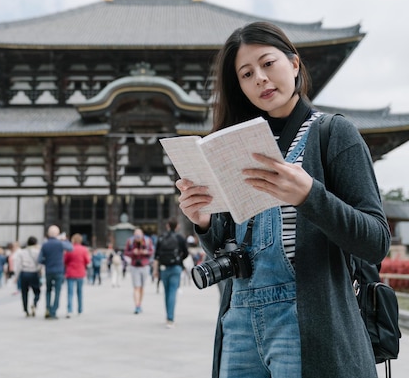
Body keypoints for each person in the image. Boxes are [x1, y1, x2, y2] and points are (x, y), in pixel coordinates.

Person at [175, 21, 390, 378]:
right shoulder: (235, 146)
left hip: (304, 318)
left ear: (294, 64)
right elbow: (231, 249)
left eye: (267, 63)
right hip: (239, 319)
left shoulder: (332, 133)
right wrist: (202, 222)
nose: (259, 77)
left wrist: (310, 195)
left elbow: (376, 241)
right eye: (246, 74)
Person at [153, 217, 189, 328]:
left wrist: (155, 270)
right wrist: (179, 259)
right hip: (176, 267)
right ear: (177, 226)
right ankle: (170, 318)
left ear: (167, 225)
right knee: (173, 292)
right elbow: (186, 253)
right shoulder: (180, 238)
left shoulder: (161, 237)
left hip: (164, 268)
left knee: (166, 292)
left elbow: (156, 256)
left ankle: (167, 316)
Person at [38, 225, 73, 319]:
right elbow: (70, 248)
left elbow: (39, 259)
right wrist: (64, 239)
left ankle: (48, 309)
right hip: (59, 270)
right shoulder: (60, 243)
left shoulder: (44, 244)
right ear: (57, 234)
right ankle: (53, 311)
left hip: (49, 270)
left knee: (48, 290)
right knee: (57, 291)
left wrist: (47, 262)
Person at [123, 228, 154, 314]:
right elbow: (125, 252)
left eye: (139, 235)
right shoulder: (130, 241)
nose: (137, 237)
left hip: (144, 265)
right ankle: (137, 305)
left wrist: (145, 252)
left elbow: (151, 251)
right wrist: (133, 252)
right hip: (134, 266)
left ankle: (140, 303)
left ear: (142, 235)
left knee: (142, 287)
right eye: (136, 235)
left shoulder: (147, 241)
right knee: (136, 287)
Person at [13, 236, 42, 317]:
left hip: (24, 273)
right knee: (37, 291)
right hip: (34, 272)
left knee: (24, 292)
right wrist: (38, 270)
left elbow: (18, 265)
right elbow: (40, 263)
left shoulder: (21, 252)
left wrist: (16, 276)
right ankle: (34, 303)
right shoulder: (37, 252)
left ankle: (26, 310)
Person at [64, 233, 90, 318]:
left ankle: (69, 310)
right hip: (80, 272)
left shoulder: (69, 249)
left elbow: (65, 260)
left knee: (70, 293)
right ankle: (80, 309)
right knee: (79, 292)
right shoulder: (84, 249)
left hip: (70, 272)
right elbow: (87, 261)